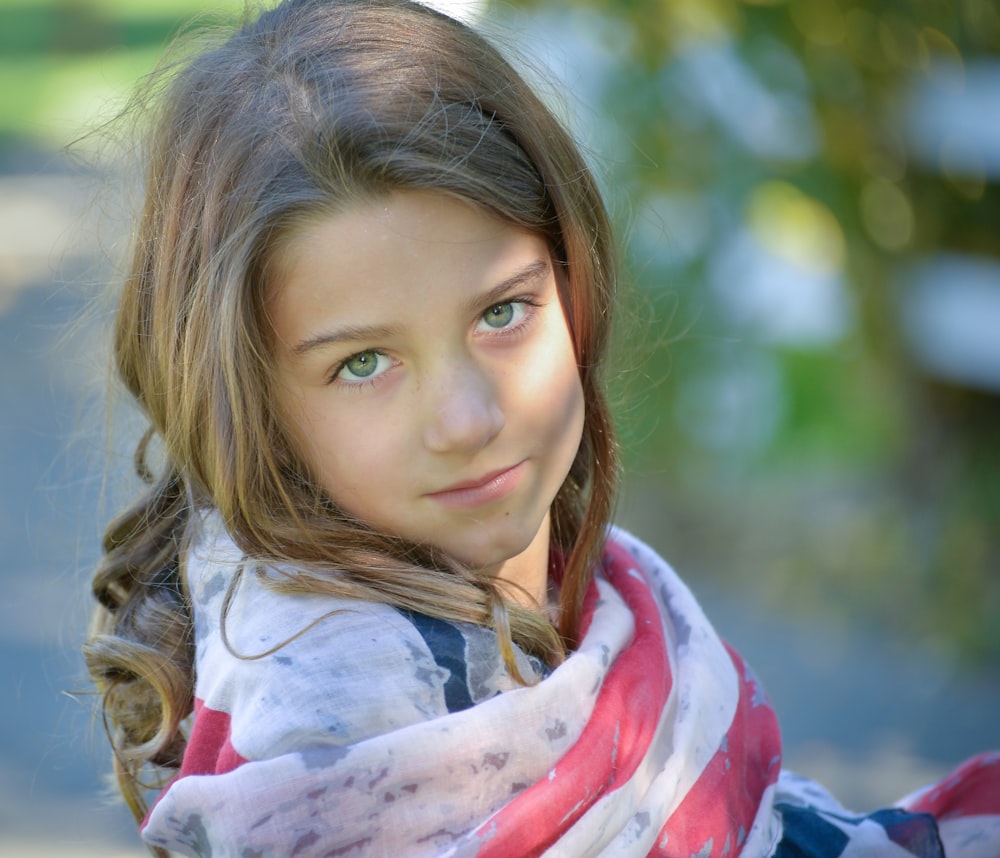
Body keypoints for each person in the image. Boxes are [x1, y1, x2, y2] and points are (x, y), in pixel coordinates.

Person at [83, 0, 1000, 856]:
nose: (469, 420)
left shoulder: (575, 584)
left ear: (573, 278)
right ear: (249, 400)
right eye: (363, 363)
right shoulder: (336, 722)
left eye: (502, 313)